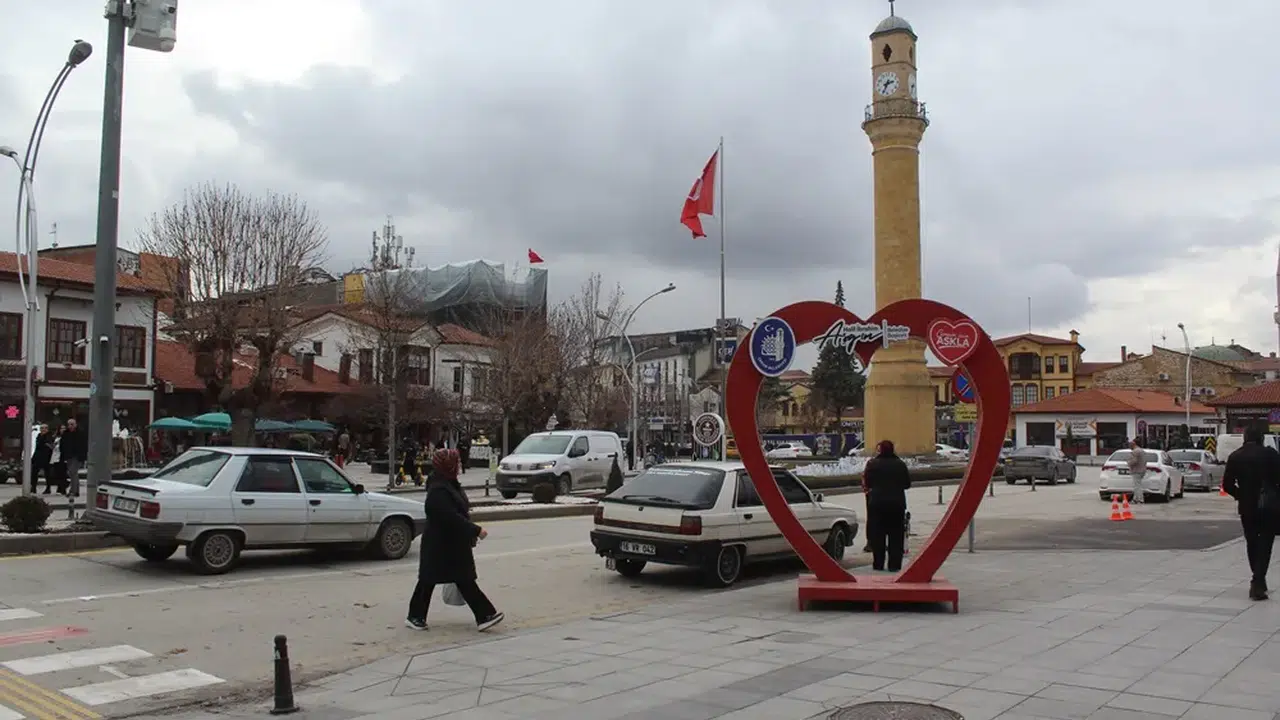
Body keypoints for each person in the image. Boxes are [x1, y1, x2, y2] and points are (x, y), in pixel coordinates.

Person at [406, 448, 504, 631]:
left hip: (451, 543)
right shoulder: (438, 490)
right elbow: (450, 517)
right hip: (440, 545)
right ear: (447, 466)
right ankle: (484, 615)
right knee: (435, 580)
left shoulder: (449, 483)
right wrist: (475, 530)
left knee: (457, 579)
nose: (459, 466)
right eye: (456, 463)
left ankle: (416, 616)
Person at [1222, 427, 1280, 601]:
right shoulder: (1270, 455)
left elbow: (1227, 485)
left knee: (1252, 542)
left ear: (1244, 438)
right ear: (1261, 438)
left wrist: (1242, 496)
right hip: (1269, 506)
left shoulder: (1235, 456)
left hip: (1247, 507)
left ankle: (1258, 579)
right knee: (1266, 544)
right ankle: (1258, 581)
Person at [862, 439, 912, 572]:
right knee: (896, 536)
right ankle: (894, 564)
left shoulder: (872, 464)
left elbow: (868, 482)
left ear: (880, 450)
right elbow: (907, 484)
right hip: (896, 505)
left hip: (877, 504)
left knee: (878, 535)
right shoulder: (900, 464)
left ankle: (878, 564)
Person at [60, 418, 86, 498]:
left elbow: (84, 445)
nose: (70, 426)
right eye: (69, 424)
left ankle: (73, 491)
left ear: (75, 424)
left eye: (72, 424)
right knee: (72, 473)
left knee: (72, 472)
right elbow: (63, 445)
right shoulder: (66, 433)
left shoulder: (80, 433)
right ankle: (76, 490)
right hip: (68, 456)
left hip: (77, 456)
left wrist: (83, 456)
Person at [31, 425, 52, 494]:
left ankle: (48, 488)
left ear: (48, 429)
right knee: (34, 472)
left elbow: (50, 446)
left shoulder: (49, 436)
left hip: (46, 456)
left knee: (47, 473)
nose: (43, 429)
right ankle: (33, 487)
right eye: (42, 428)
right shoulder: (39, 436)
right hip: (38, 456)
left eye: (45, 428)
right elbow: (37, 446)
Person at [1126, 438, 1147, 504]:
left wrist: (1128, 463)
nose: (1130, 446)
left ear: (1134, 444)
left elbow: (1134, 461)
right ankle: (1135, 499)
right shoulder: (1142, 450)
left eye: (1131, 444)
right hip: (1142, 470)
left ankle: (1140, 499)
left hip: (1136, 470)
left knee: (1137, 486)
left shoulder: (1135, 451)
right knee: (1137, 485)